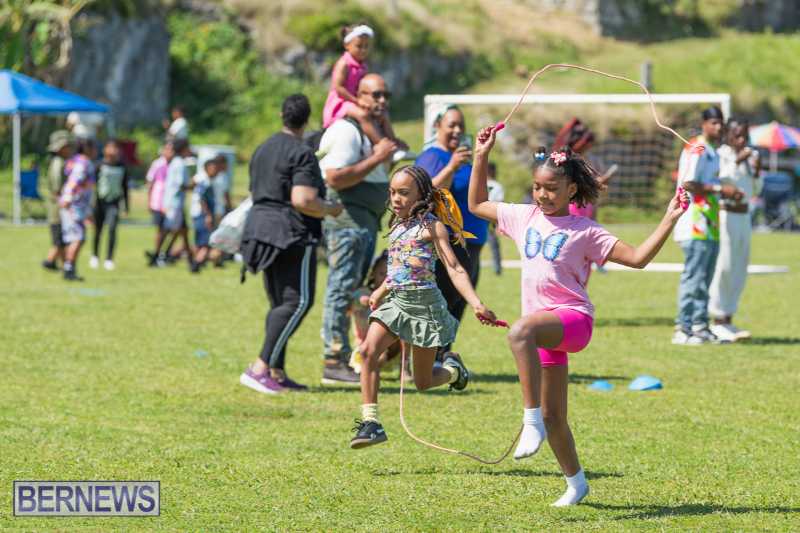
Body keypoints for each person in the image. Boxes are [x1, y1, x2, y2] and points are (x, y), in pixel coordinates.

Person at [469, 126, 689, 506]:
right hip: (544, 332)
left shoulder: (585, 230)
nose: (542, 195)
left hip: (572, 321)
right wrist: (481, 155)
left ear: (571, 190)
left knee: (519, 332)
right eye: (538, 187)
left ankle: (529, 421)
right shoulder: (523, 218)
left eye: (551, 189)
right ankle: (576, 483)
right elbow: (476, 204)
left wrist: (669, 218)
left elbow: (637, 259)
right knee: (557, 418)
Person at [350, 165, 498, 449]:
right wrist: (380, 290)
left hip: (424, 307)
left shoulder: (432, 227)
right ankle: (371, 423)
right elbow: (397, 269)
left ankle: (454, 371)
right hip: (396, 303)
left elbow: (454, 269)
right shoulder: (395, 226)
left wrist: (476, 303)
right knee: (367, 352)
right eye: (392, 192)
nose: (396, 199)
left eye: (404, 193)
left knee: (423, 381)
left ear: (421, 194)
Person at [239, 94, 343, 393]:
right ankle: (259, 367)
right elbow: (303, 199)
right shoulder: (301, 152)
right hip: (290, 233)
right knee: (297, 301)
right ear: (307, 119)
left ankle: (276, 371)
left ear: (282, 115)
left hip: (259, 229)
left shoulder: (262, 148)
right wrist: (330, 208)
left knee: (279, 302)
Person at [318, 73, 398, 386]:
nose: (380, 102)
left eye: (385, 96)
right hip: (348, 223)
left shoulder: (370, 131)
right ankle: (333, 360)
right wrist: (377, 157)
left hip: (363, 223)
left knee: (352, 290)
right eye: (374, 95)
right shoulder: (346, 131)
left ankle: (352, 355)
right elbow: (335, 177)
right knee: (341, 288)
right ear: (357, 96)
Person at [416, 105, 488, 355]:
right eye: (451, 125)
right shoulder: (433, 156)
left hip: (472, 243)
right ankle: (429, 358)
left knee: (457, 303)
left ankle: (443, 355)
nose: (457, 130)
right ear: (437, 127)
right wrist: (452, 167)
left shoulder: (462, 157)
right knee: (444, 301)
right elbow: (425, 192)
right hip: (449, 242)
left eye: (461, 125)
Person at [672, 107, 744, 345]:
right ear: (703, 124)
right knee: (694, 277)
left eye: (720, 123)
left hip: (710, 221)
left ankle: (700, 327)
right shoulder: (698, 147)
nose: (718, 127)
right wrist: (720, 189)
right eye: (713, 122)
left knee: (706, 278)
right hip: (693, 221)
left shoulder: (713, 151)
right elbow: (688, 182)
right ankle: (683, 329)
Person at [322, 22, 406, 157]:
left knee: (382, 112)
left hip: (355, 100)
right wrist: (358, 102)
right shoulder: (344, 64)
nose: (363, 50)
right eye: (359, 46)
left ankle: (392, 140)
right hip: (341, 102)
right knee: (362, 115)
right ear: (347, 45)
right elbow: (338, 88)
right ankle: (382, 144)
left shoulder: (362, 65)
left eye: (366, 46)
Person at [709, 118, 759, 342]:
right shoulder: (722, 154)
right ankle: (717, 318)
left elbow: (756, 189)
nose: (741, 140)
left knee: (740, 266)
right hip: (726, 213)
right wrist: (739, 160)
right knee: (725, 266)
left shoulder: (750, 156)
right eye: (737, 135)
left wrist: (756, 172)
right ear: (728, 135)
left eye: (744, 136)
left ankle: (729, 317)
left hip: (744, 215)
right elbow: (721, 178)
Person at [156, 139, 197, 272]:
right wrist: (192, 185)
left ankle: (188, 260)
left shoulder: (175, 162)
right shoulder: (180, 164)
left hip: (173, 202)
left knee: (182, 231)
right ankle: (158, 256)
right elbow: (180, 185)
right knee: (169, 230)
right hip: (175, 203)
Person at [59, 139, 98, 281]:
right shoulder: (84, 163)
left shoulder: (74, 160)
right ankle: (69, 269)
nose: (96, 151)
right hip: (74, 206)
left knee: (74, 237)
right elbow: (74, 181)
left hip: (74, 205)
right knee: (78, 237)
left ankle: (69, 268)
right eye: (94, 147)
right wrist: (68, 198)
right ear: (87, 148)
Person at [90, 140, 129, 271]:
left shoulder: (121, 167)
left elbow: (125, 187)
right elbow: (92, 185)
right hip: (100, 201)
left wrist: (126, 206)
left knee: (112, 229)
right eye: (110, 148)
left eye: (115, 148)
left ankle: (109, 259)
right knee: (98, 230)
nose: (112, 151)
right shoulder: (99, 165)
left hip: (114, 202)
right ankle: (95, 256)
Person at [42, 130, 74, 272]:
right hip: (58, 209)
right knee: (60, 239)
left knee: (61, 239)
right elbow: (57, 189)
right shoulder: (58, 163)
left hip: (58, 208)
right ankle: (53, 262)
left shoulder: (60, 162)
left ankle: (61, 265)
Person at [191, 155, 226, 267]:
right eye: (213, 168)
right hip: (202, 215)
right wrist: (208, 215)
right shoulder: (204, 181)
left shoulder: (210, 180)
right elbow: (202, 199)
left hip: (201, 214)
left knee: (200, 241)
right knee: (206, 242)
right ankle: (196, 263)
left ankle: (198, 261)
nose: (216, 171)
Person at [145, 144, 174, 267]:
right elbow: (150, 182)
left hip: (170, 202)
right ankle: (157, 254)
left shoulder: (174, 164)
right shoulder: (158, 164)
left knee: (171, 229)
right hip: (158, 202)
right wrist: (149, 201)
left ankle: (160, 253)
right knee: (161, 229)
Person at [486, 161, 505, 275]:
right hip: (491, 217)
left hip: (479, 218)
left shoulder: (478, 183)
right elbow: (500, 204)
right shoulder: (497, 186)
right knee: (494, 245)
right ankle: (497, 268)